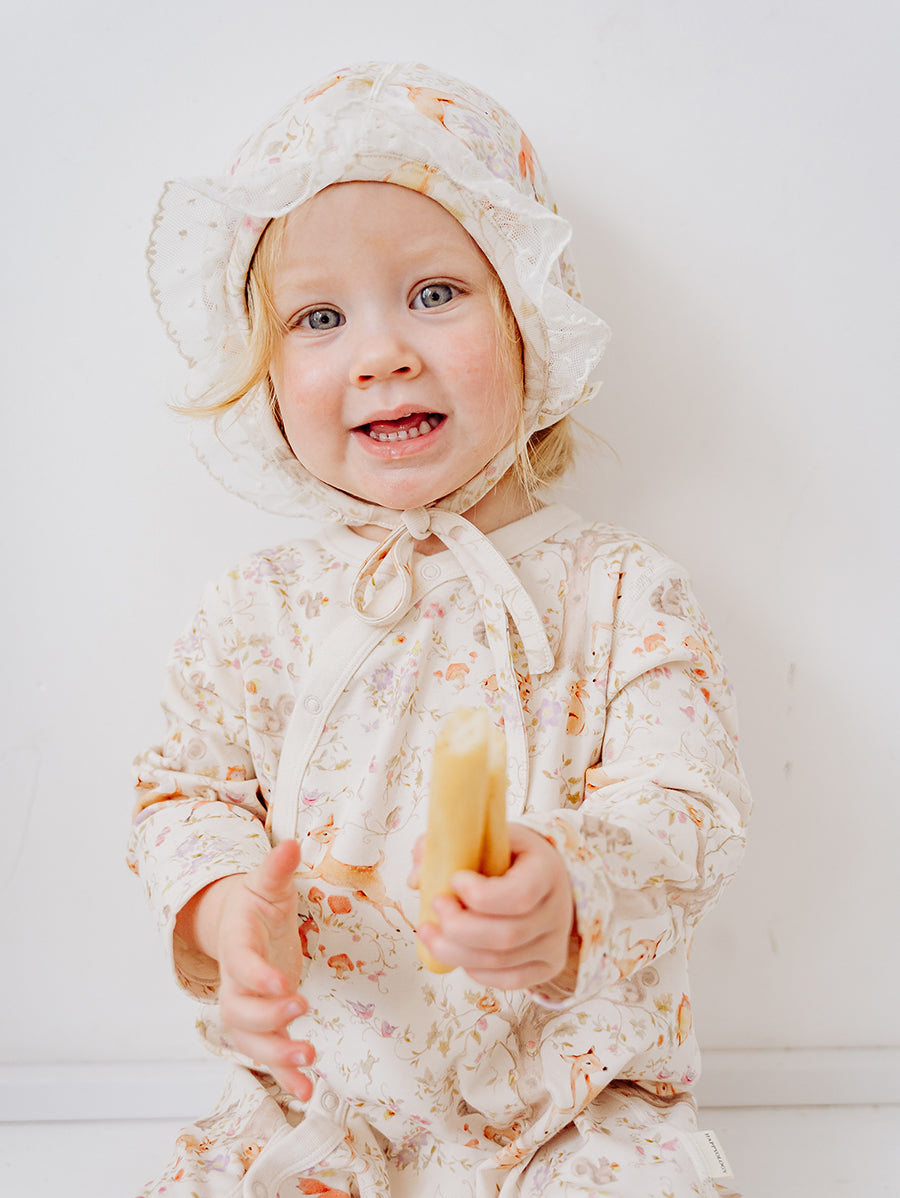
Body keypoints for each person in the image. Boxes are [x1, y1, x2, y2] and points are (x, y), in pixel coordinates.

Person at [129, 61, 750, 1198]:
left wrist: (572, 882)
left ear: (529, 319)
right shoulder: (256, 608)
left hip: (574, 1110)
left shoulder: (620, 592)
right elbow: (184, 794)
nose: (382, 355)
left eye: (434, 293)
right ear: (267, 378)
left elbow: (689, 808)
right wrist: (226, 918)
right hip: (317, 1104)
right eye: (320, 318)